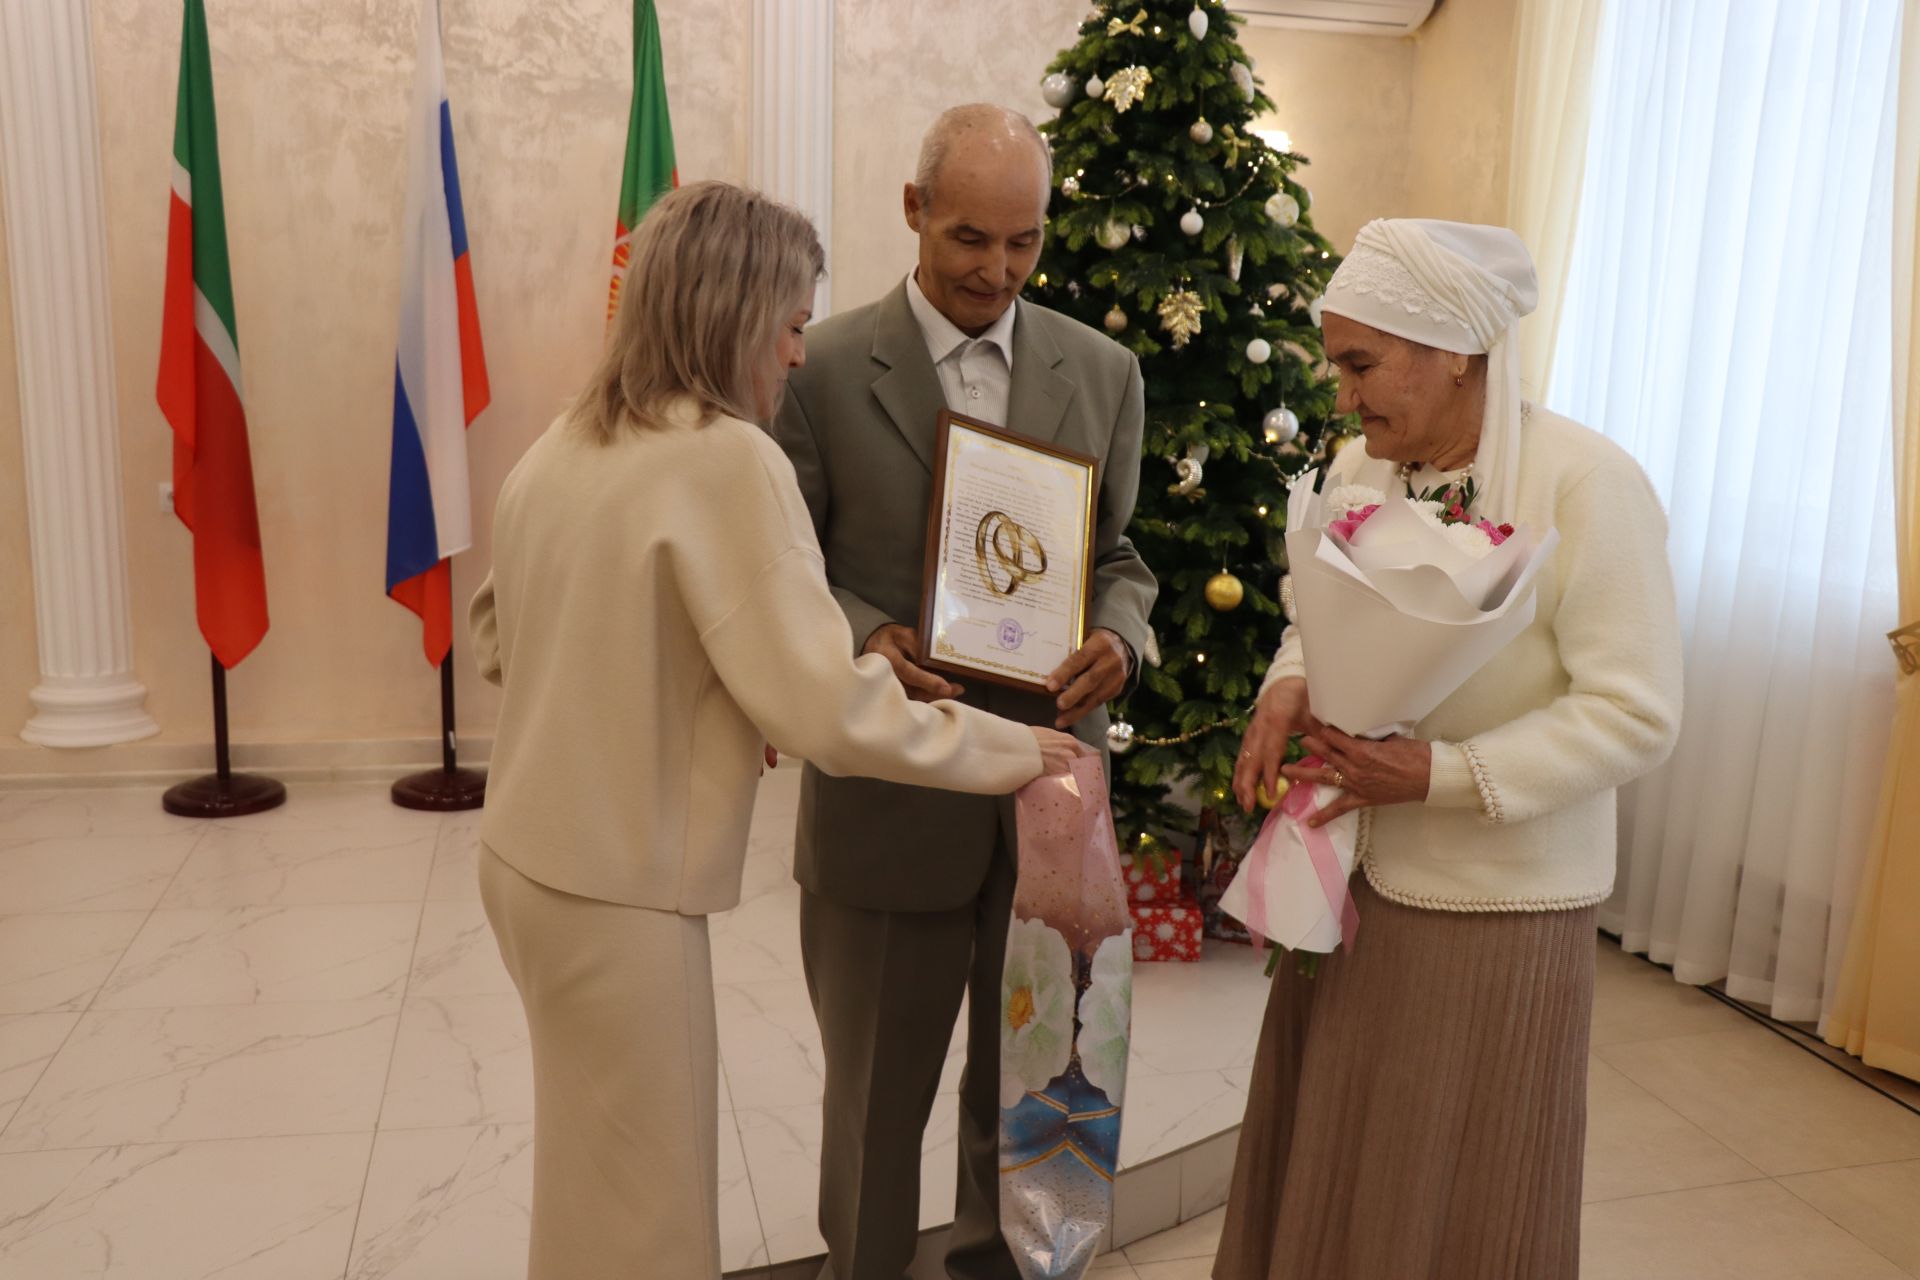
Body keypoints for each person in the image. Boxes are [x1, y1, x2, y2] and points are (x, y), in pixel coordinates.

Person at [468, 180, 1092, 1280]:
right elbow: (829, 712)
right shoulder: (726, 456)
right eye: (793, 325)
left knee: (588, 1177)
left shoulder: (569, 438)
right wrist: (1012, 750)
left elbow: (497, 629)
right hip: (622, 883)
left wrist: (687, 687)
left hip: (527, 860)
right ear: (737, 313)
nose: (801, 355)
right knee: (651, 1211)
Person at [1218, 219, 1684, 1280]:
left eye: (1361, 365)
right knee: (1333, 1142)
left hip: (1499, 904)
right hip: (1349, 875)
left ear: (1457, 352)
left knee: (1456, 1178)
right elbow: (1321, 612)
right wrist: (1287, 682)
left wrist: (1442, 775)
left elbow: (1638, 709)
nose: (1343, 395)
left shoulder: (1588, 484)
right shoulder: (1358, 463)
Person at [771, 104, 1158, 1280]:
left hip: (1050, 796)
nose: (997, 270)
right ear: (913, 212)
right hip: (891, 791)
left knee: (1042, 1092)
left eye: (1024, 243)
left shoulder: (1103, 370)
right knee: (876, 1104)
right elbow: (782, 564)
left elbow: (1125, 555)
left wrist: (1118, 635)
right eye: (970, 239)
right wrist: (860, 632)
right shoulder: (819, 365)